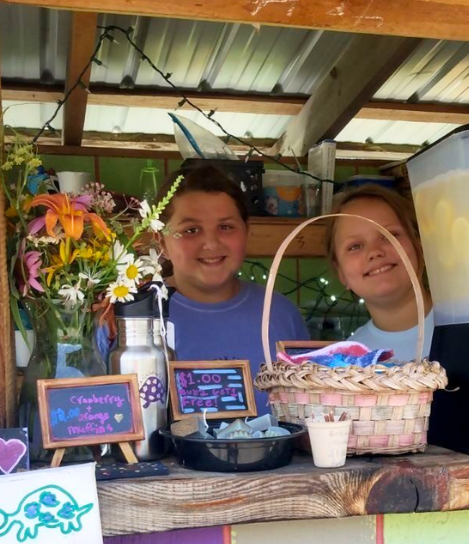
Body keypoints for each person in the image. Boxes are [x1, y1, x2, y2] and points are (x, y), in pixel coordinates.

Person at [158, 164, 308, 412]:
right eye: (191, 230)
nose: (210, 243)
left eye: (225, 227)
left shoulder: (280, 313)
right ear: (160, 240)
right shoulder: (129, 317)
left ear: (247, 232)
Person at [325, 184, 433, 362]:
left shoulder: (466, 321)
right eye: (355, 246)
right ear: (341, 273)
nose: (375, 251)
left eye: (389, 235)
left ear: (418, 246)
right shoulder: (348, 363)